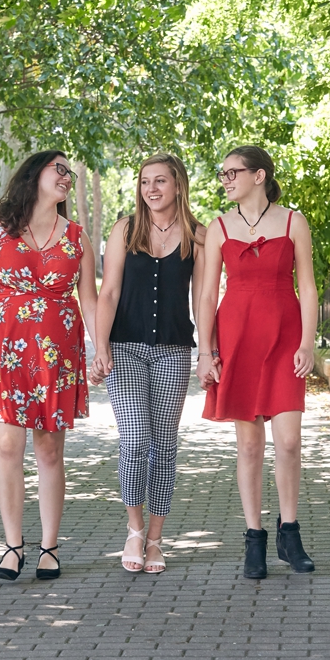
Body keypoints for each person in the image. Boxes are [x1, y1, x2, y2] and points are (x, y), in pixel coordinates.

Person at [0, 150, 97, 581]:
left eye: (70, 172)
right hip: (5, 351)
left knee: (49, 450)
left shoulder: (77, 236)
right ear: (35, 175)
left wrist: (99, 346)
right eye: (60, 169)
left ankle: (49, 546)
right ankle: (13, 545)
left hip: (57, 354)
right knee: (8, 447)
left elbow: (89, 299)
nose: (67, 177)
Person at [196, 145, 318, 579]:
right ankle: (254, 540)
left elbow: (307, 284)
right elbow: (208, 295)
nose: (225, 179)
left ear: (259, 175)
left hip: (285, 337)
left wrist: (308, 342)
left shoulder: (292, 221)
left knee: (288, 441)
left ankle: (290, 532)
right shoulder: (219, 227)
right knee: (249, 445)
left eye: (232, 172)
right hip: (237, 337)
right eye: (222, 173)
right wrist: (206, 351)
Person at [90, 153, 205, 574]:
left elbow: (203, 299)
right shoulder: (124, 229)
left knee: (165, 446)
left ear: (178, 185)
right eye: (144, 182)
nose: (151, 189)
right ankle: (134, 530)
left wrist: (206, 352)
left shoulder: (198, 235)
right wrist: (99, 347)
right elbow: (109, 292)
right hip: (125, 349)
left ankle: (156, 538)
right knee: (136, 441)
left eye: (160, 181)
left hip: (174, 350)